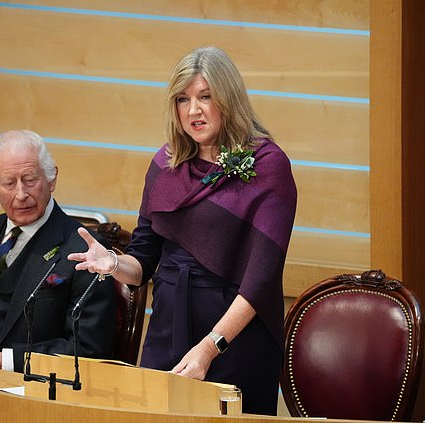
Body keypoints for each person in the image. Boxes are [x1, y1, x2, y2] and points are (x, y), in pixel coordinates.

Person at [68, 46, 297, 415]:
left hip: (235, 338)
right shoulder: (165, 163)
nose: (194, 110)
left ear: (229, 99)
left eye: (205, 96)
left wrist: (209, 348)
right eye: (183, 99)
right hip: (168, 327)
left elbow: (261, 281)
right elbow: (142, 263)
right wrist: (111, 263)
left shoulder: (269, 166)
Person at [0, 130, 117, 372]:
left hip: (27, 390)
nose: (21, 194)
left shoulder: (86, 250)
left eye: (29, 179)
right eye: (9, 183)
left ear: (52, 178)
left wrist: (3, 362)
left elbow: (87, 349)